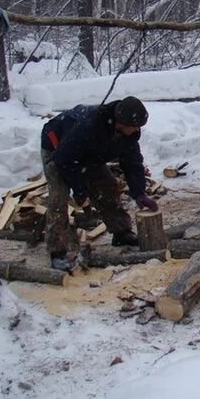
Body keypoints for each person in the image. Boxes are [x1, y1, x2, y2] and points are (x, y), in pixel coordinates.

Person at [40, 96, 159, 272]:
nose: (137, 130)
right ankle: (57, 251)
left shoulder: (129, 135)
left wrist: (139, 192)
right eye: (134, 126)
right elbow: (65, 160)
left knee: (108, 186)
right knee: (59, 197)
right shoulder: (91, 126)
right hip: (58, 149)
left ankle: (121, 232)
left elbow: (132, 163)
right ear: (121, 122)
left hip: (88, 155)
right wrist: (79, 190)